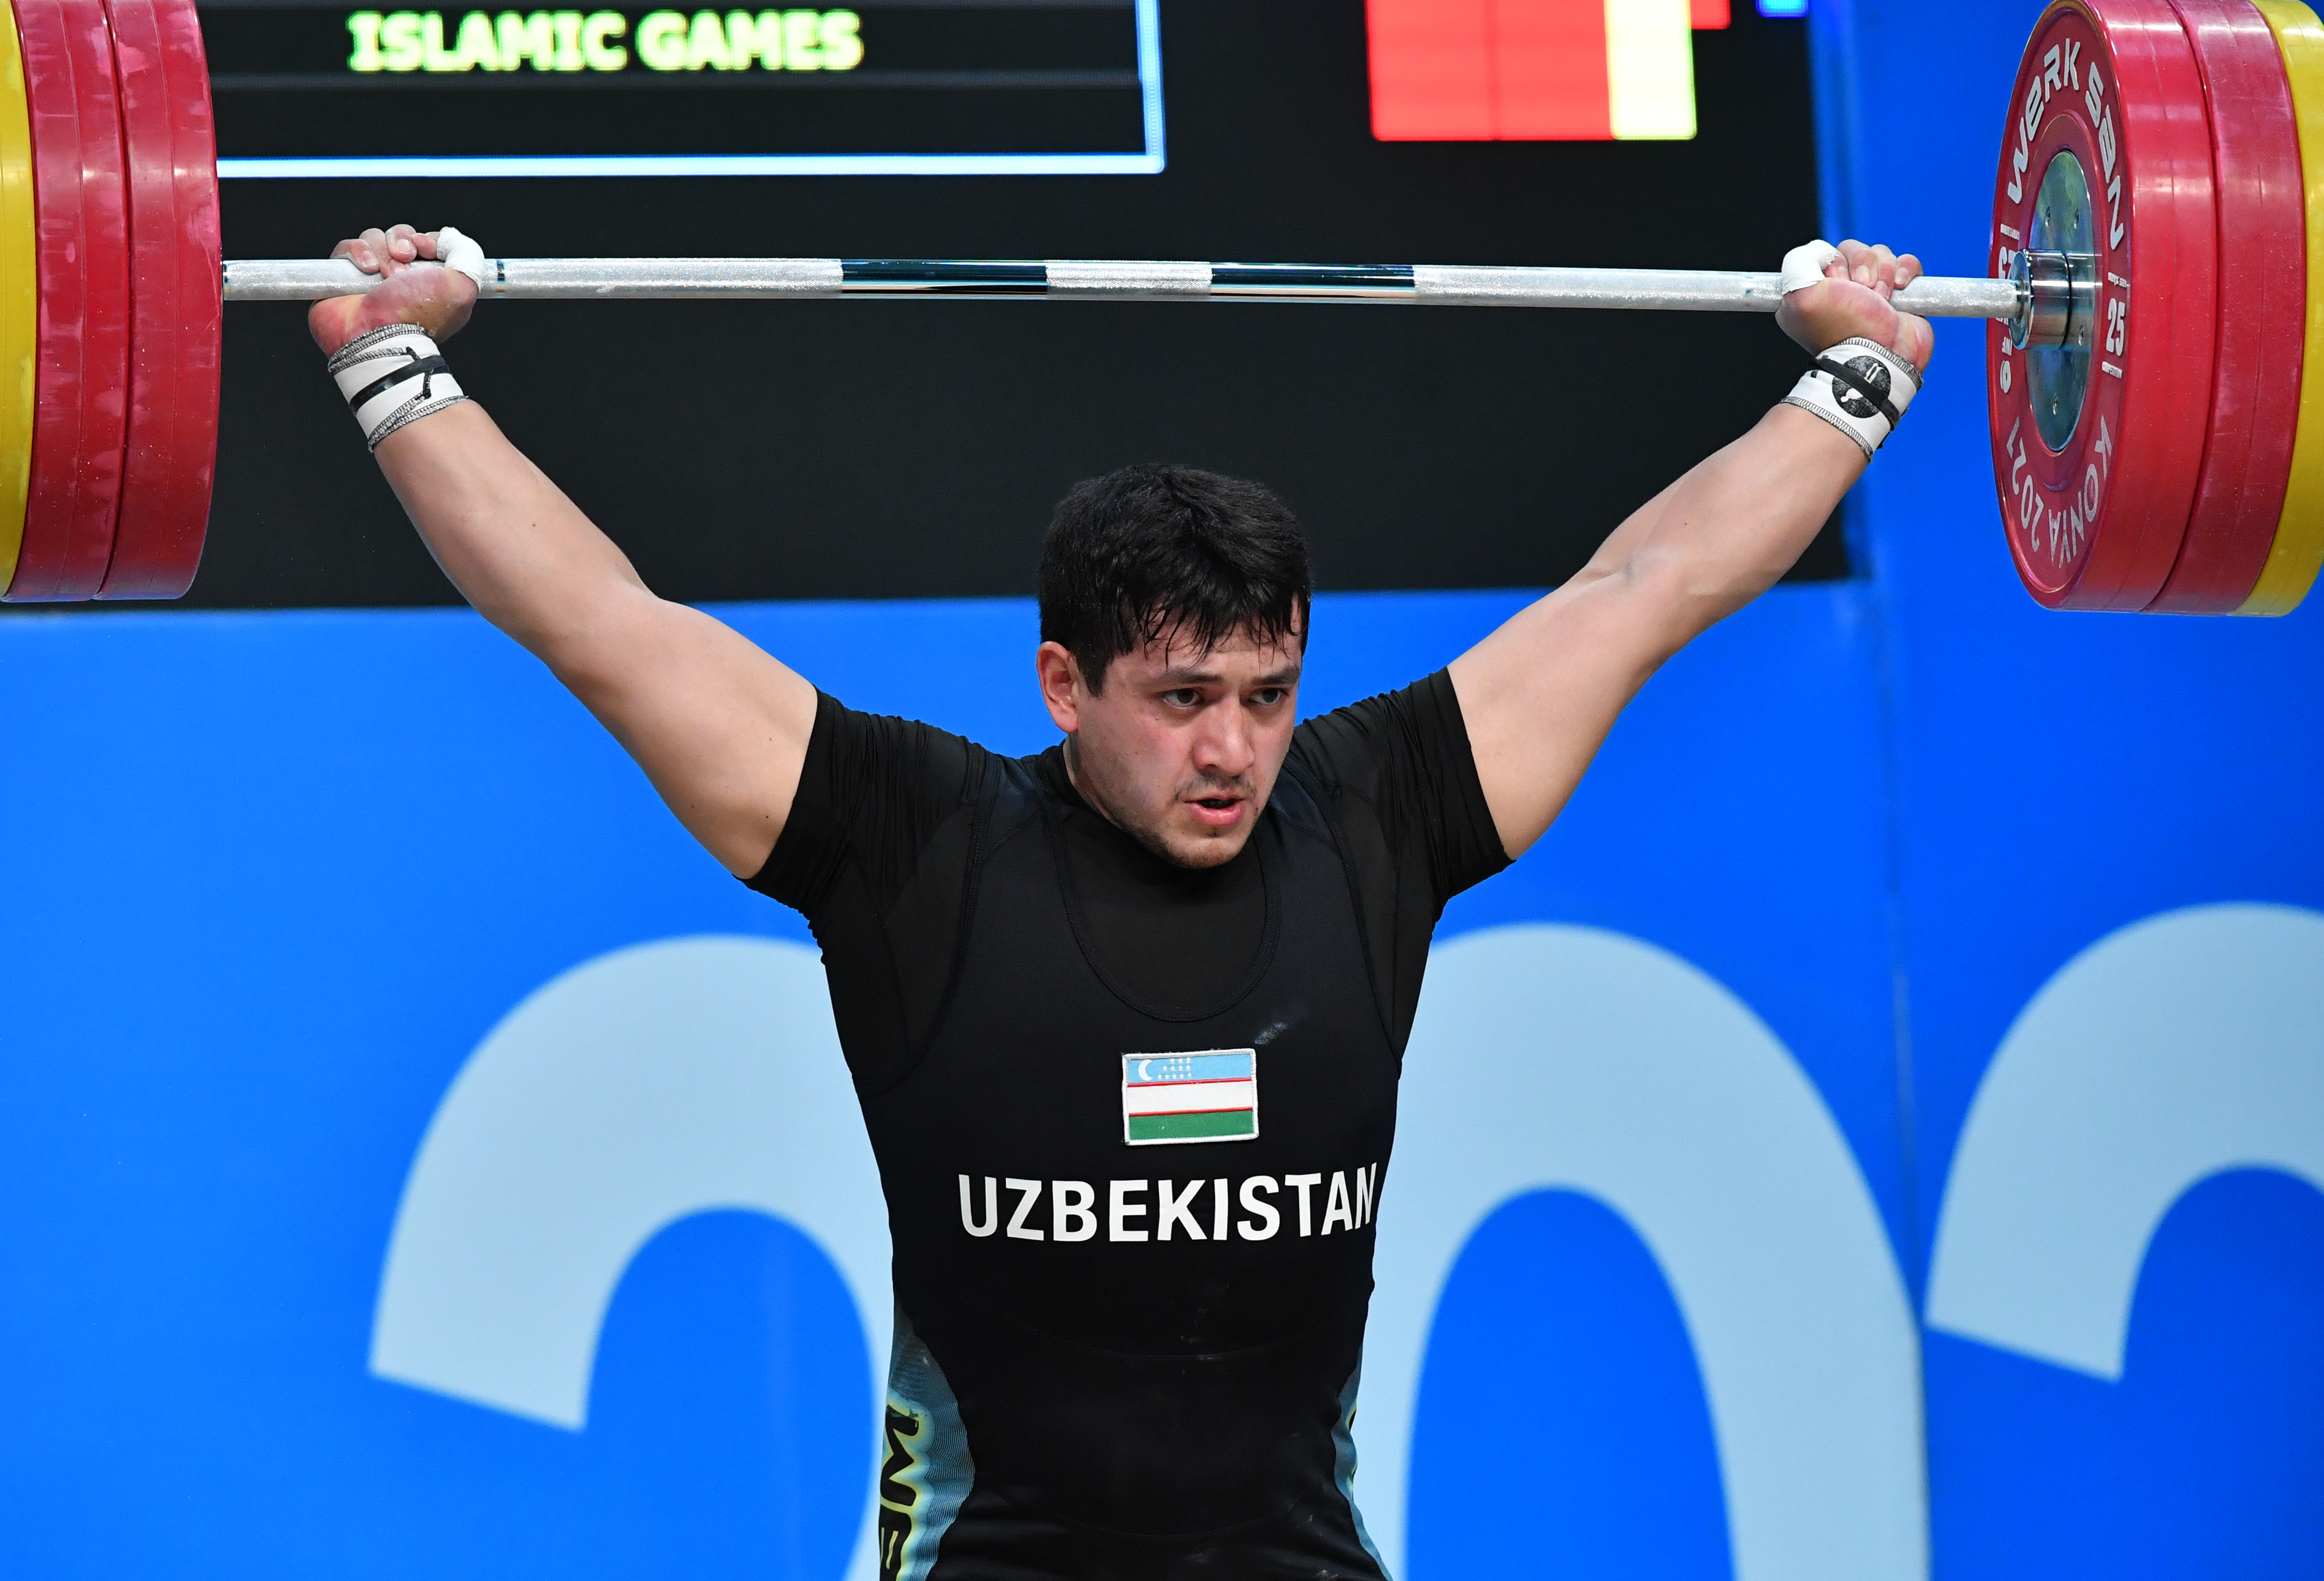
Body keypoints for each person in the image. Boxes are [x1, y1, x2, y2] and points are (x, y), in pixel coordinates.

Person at [311, 225, 1931, 1579]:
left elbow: (1643, 591)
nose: (1231, 750)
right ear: (1062, 683)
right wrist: (393, 362)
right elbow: (600, 621)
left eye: (1269, 694)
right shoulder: (914, 842)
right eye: (1180, 699)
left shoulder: (1378, 812)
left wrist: (1854, 375)